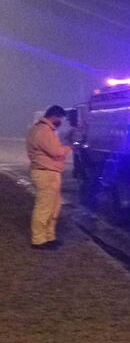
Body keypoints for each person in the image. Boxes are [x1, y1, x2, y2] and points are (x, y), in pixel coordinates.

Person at [26, 105, 72, 250]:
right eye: (60, 119)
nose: (61, 122)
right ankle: (39, 240)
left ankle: (49, 236)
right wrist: (70, 147)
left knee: (53, 207)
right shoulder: (43, 131)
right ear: (55, 116)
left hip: (49, 172)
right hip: (46, 173)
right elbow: (56, 152)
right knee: (44, 208)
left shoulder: (41, 129)